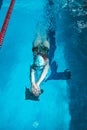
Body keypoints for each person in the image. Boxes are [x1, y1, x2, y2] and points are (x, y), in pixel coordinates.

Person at [30, 32, 50, 97]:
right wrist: (37, 83)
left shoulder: (34, 66)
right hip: (42, 49)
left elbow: (32, 73)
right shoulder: (46, 64)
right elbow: (45, 71)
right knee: (42, 34)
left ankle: (40, 25)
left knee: (39, 33)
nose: (35, 90)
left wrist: (33, 83)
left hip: (38, 49)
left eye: (34, 91)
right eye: (37, 90)